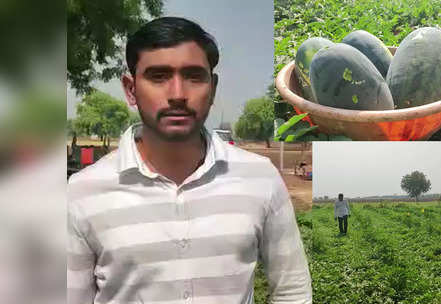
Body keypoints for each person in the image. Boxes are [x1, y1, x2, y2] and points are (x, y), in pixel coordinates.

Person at [67, 17, 312, 304]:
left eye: (194, 76)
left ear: (213, 88)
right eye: (158, 76)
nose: (178, 95)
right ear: (131, 89)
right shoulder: (83, 191)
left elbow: (292, 291)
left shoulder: (260, 178)